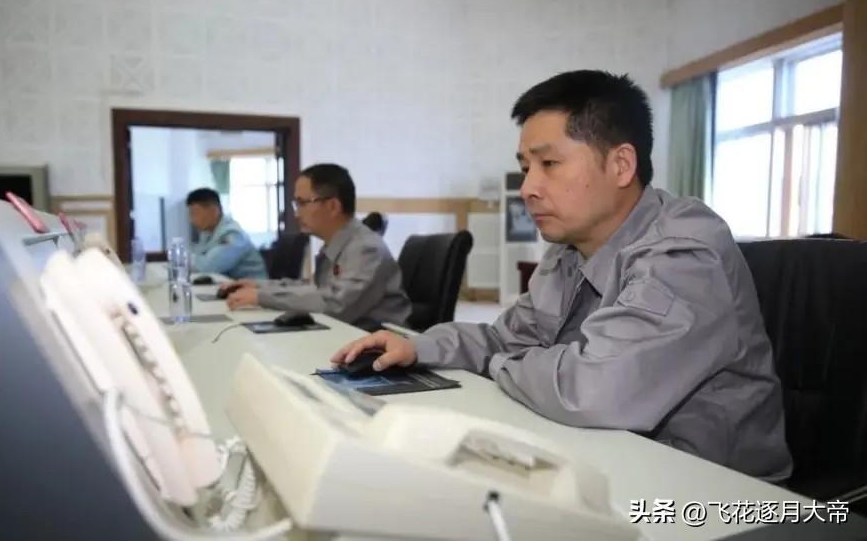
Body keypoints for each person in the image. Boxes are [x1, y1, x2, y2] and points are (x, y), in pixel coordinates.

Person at [333, 70, 792, 482]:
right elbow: (506, 338)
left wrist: (499, 364)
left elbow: (592, 391)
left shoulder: (684, 252)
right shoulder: (569, 251)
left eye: (549, 164)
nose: (528, 188)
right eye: (525, 168)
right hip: (613, 458)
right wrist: (420, 347)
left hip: (717, 496)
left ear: (621, 165)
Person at [221, 163, 411, 330]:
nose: (297, 214)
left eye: (302, 203)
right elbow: (315, 289)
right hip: (348, 336)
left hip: (379, 347)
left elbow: (336, 305)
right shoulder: (339, 244)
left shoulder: (366, 249)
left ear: (333, 206)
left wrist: (262, 297)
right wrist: (260, 286)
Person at [186, 188, 267, 280]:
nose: (191, 220)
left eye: (195, 213)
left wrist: (180, 258)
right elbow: (198, 261)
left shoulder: (234, 234)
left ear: (214, 211)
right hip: (229, 285)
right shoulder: (207, 233)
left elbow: (208, 267)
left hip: (254, 287)